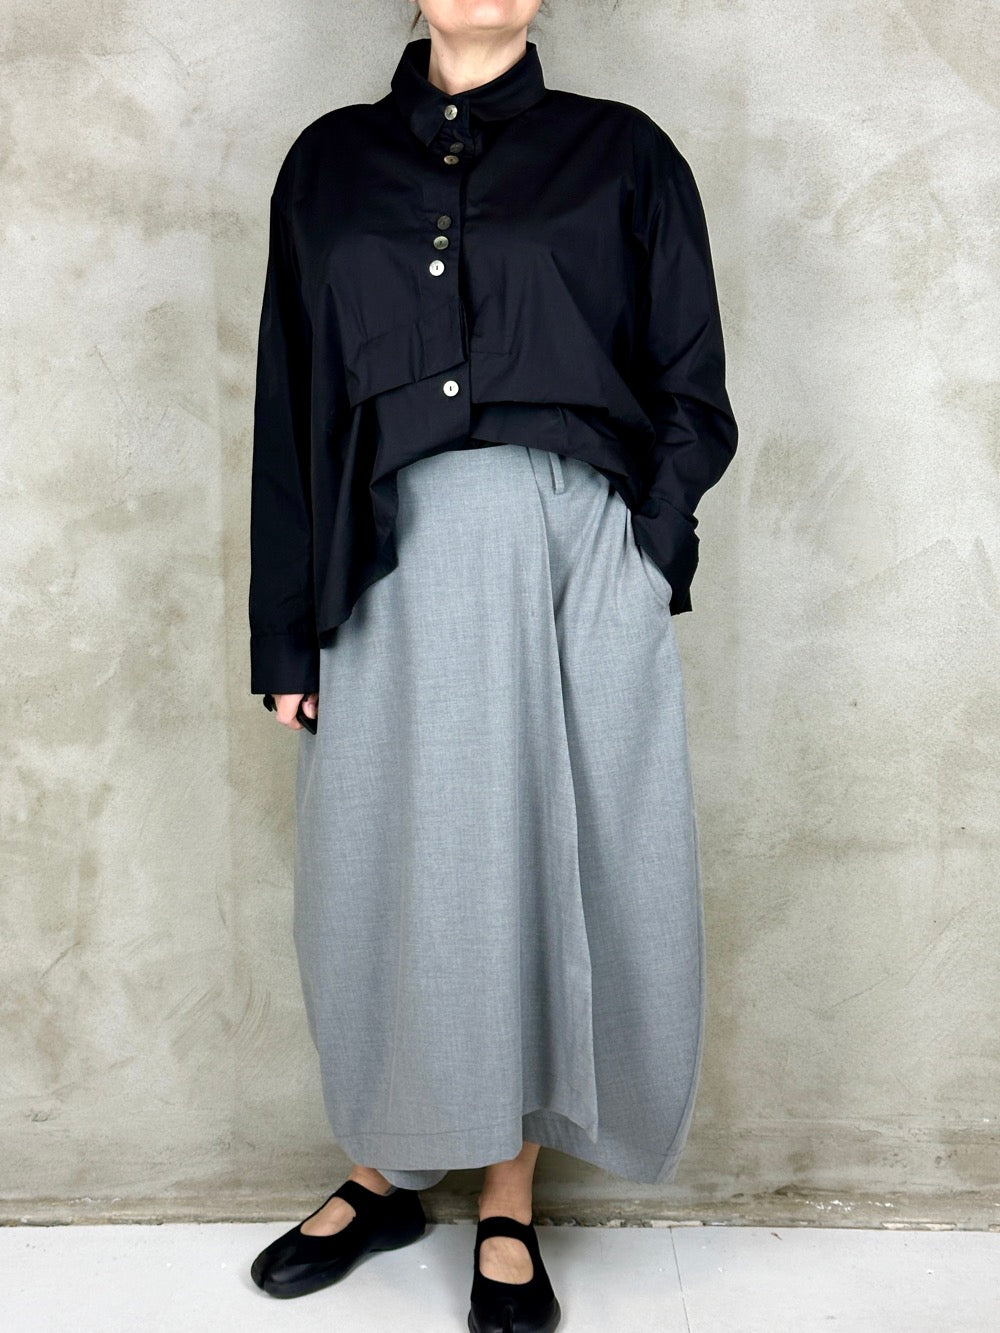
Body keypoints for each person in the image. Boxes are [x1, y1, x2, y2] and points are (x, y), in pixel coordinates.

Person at [247, 2, 738, 1328]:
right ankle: (386, 1170)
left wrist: (642, 545)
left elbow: (692, 385)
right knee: (384, 866)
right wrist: (285, 629)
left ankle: (507, 1194)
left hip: (571, 552)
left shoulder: (622, 154)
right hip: (382, 553)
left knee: (538, 865)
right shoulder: (330, 165)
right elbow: (292, 404)